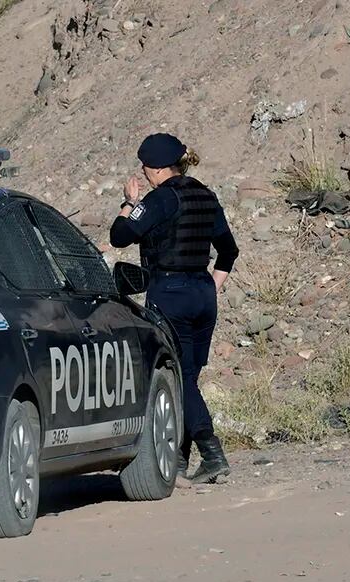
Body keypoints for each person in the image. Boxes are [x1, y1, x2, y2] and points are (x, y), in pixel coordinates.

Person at [109, 133, 239, 484]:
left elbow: (120, 236)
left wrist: (128, 203)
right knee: (189, 378)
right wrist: (211, 286)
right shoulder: (205, 195)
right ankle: (179, 461)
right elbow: (229, 250)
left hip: (170, 293)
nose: (143, 172)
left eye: (144, 167)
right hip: (202, 293)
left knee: (179, 378)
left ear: (155, 169)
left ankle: (212, 453)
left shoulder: (160, 199)